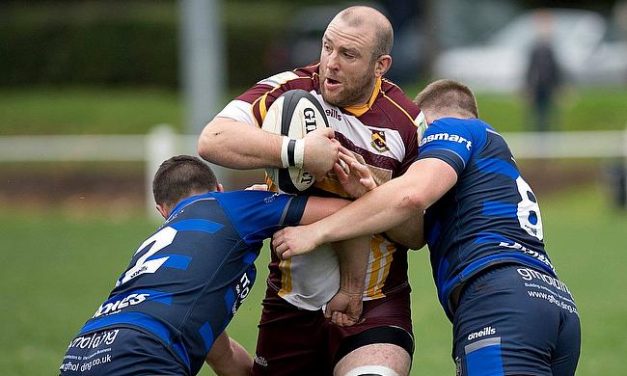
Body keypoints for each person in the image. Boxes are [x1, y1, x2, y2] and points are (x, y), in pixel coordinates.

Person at [273, 79, 581, 375]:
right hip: (552, 300)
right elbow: (414, 232)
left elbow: (412, 194)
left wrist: (317, 231)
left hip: (499, 301)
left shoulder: (450, 128)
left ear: (425, 123)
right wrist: (368, 192)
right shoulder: (489, 159)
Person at [198, 5, 422, 376]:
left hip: (375, 303)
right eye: (327, 47)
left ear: (380, 65)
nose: (331, 63)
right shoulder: (287, 91)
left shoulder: (407, 122)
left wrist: (373, 192)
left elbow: (415, 235)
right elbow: (212, 140)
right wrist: (299, 152)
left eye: (348, 55)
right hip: (290, 302)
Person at [58, 155, 361, 376]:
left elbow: (225, 357)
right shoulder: (230, 205)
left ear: (163, 211)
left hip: (80, 354)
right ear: (218, 187)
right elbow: (347, 212)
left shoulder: (161, 258)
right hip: (146, 352)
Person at [525, 10, 561, 132]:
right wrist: (529, 87)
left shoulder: (552, 47)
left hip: (549, 87)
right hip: (538, 87)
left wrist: (559, 86)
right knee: (538, 115)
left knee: (550, 115)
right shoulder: (534, 48)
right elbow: (530, 69)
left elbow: (556, 69)